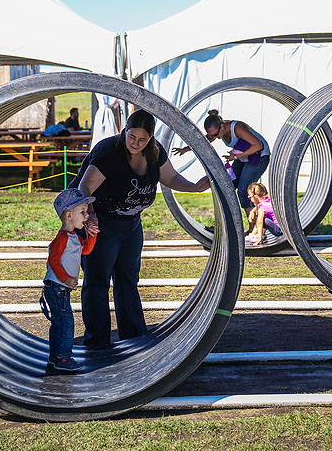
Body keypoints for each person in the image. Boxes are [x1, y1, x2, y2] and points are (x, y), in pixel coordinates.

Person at [72, 109, 210, 349]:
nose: (135, 143)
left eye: (142, 139)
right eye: (131, 137)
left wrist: (194, 187)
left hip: (131, 224)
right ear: (125, 130)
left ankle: (134, 338)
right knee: (97, 282)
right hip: (100, 223)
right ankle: (97, 342)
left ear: (151, 139)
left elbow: (171, 179)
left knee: (128, 280)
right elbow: (84, 189)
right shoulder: (109, 152)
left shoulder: (155, 153)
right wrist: (89, 218)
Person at [173, 109, 270, 224]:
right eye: (212, 135)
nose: (215, 137)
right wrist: (185, 149)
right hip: (243, 157)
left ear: (222, 126)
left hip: (259, 157)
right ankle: (225, 226)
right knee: (228, 187)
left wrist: (236, 157)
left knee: (243, 190)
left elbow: (258, 146)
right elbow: (205, 141)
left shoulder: (237, 128)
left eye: (215, 134)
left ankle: (253, 226)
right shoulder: (219, 130)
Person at [40, 188, 99, 372]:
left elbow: (86, 250)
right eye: (82, 212)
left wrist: (92, 234)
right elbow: (53, 260)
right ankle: (62, 358)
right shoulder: (62, 238)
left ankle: (55, 356)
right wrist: (65, 279)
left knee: (60, 322)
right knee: (65, 323)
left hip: (61, 288)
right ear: (68, 215)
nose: (86, 215)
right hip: (57, 287)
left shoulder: (74, 236)